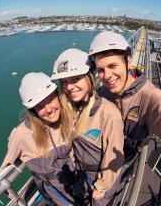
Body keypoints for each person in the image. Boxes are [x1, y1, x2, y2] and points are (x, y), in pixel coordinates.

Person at [51, 48, 125, 205]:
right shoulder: (71, 108)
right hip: (83, 174)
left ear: (90, 78)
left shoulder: (108, 114)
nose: (69, 87)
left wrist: (101, 186)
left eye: (75, 79)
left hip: (100, 180)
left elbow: (114, 158)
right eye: (64, 81)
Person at [0, 72, 78, 205]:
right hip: (57, 198)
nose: (49, 109)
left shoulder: (69, 116)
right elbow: (5, 166)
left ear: (58, 96)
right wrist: (7, 189)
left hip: (80, 185)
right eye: (40, 106)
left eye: (51, 100)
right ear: (33, 109)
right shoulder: (21, 135)